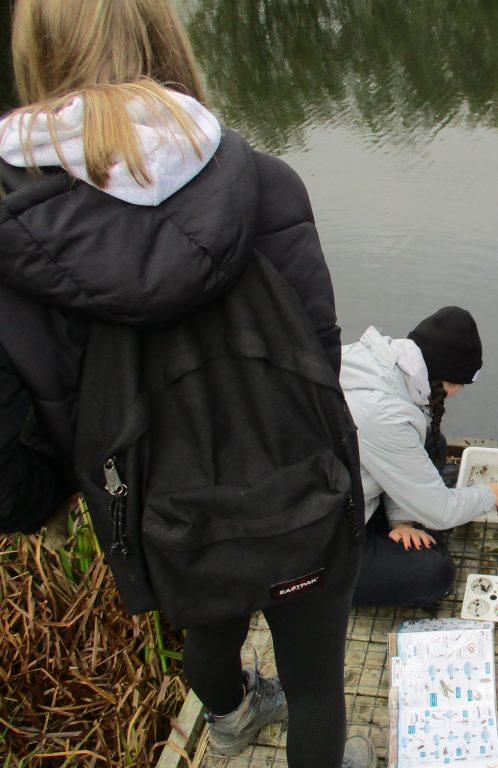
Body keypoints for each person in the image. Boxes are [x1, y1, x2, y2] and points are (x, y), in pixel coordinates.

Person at [0, 1, 372, 766]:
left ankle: (232, 716)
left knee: (210, 632)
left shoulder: (15, 247)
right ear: (167, 44)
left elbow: (21, 487)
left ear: (33, 60)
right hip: (298, 499)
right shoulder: (267, 184)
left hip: (168, 529)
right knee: (315, 690)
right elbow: (321, 360)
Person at [341, 306, 498, 605]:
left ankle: (400, 520)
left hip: (348, 489)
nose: (457, 392)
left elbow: (394, 450)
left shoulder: (384, 362)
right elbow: (440, 513)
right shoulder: (382, 413)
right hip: (319, 540)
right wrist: (489, 494)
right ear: (446, 379)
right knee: (434, 573)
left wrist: (401, 519)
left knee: (433, 442)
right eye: (458, 384)